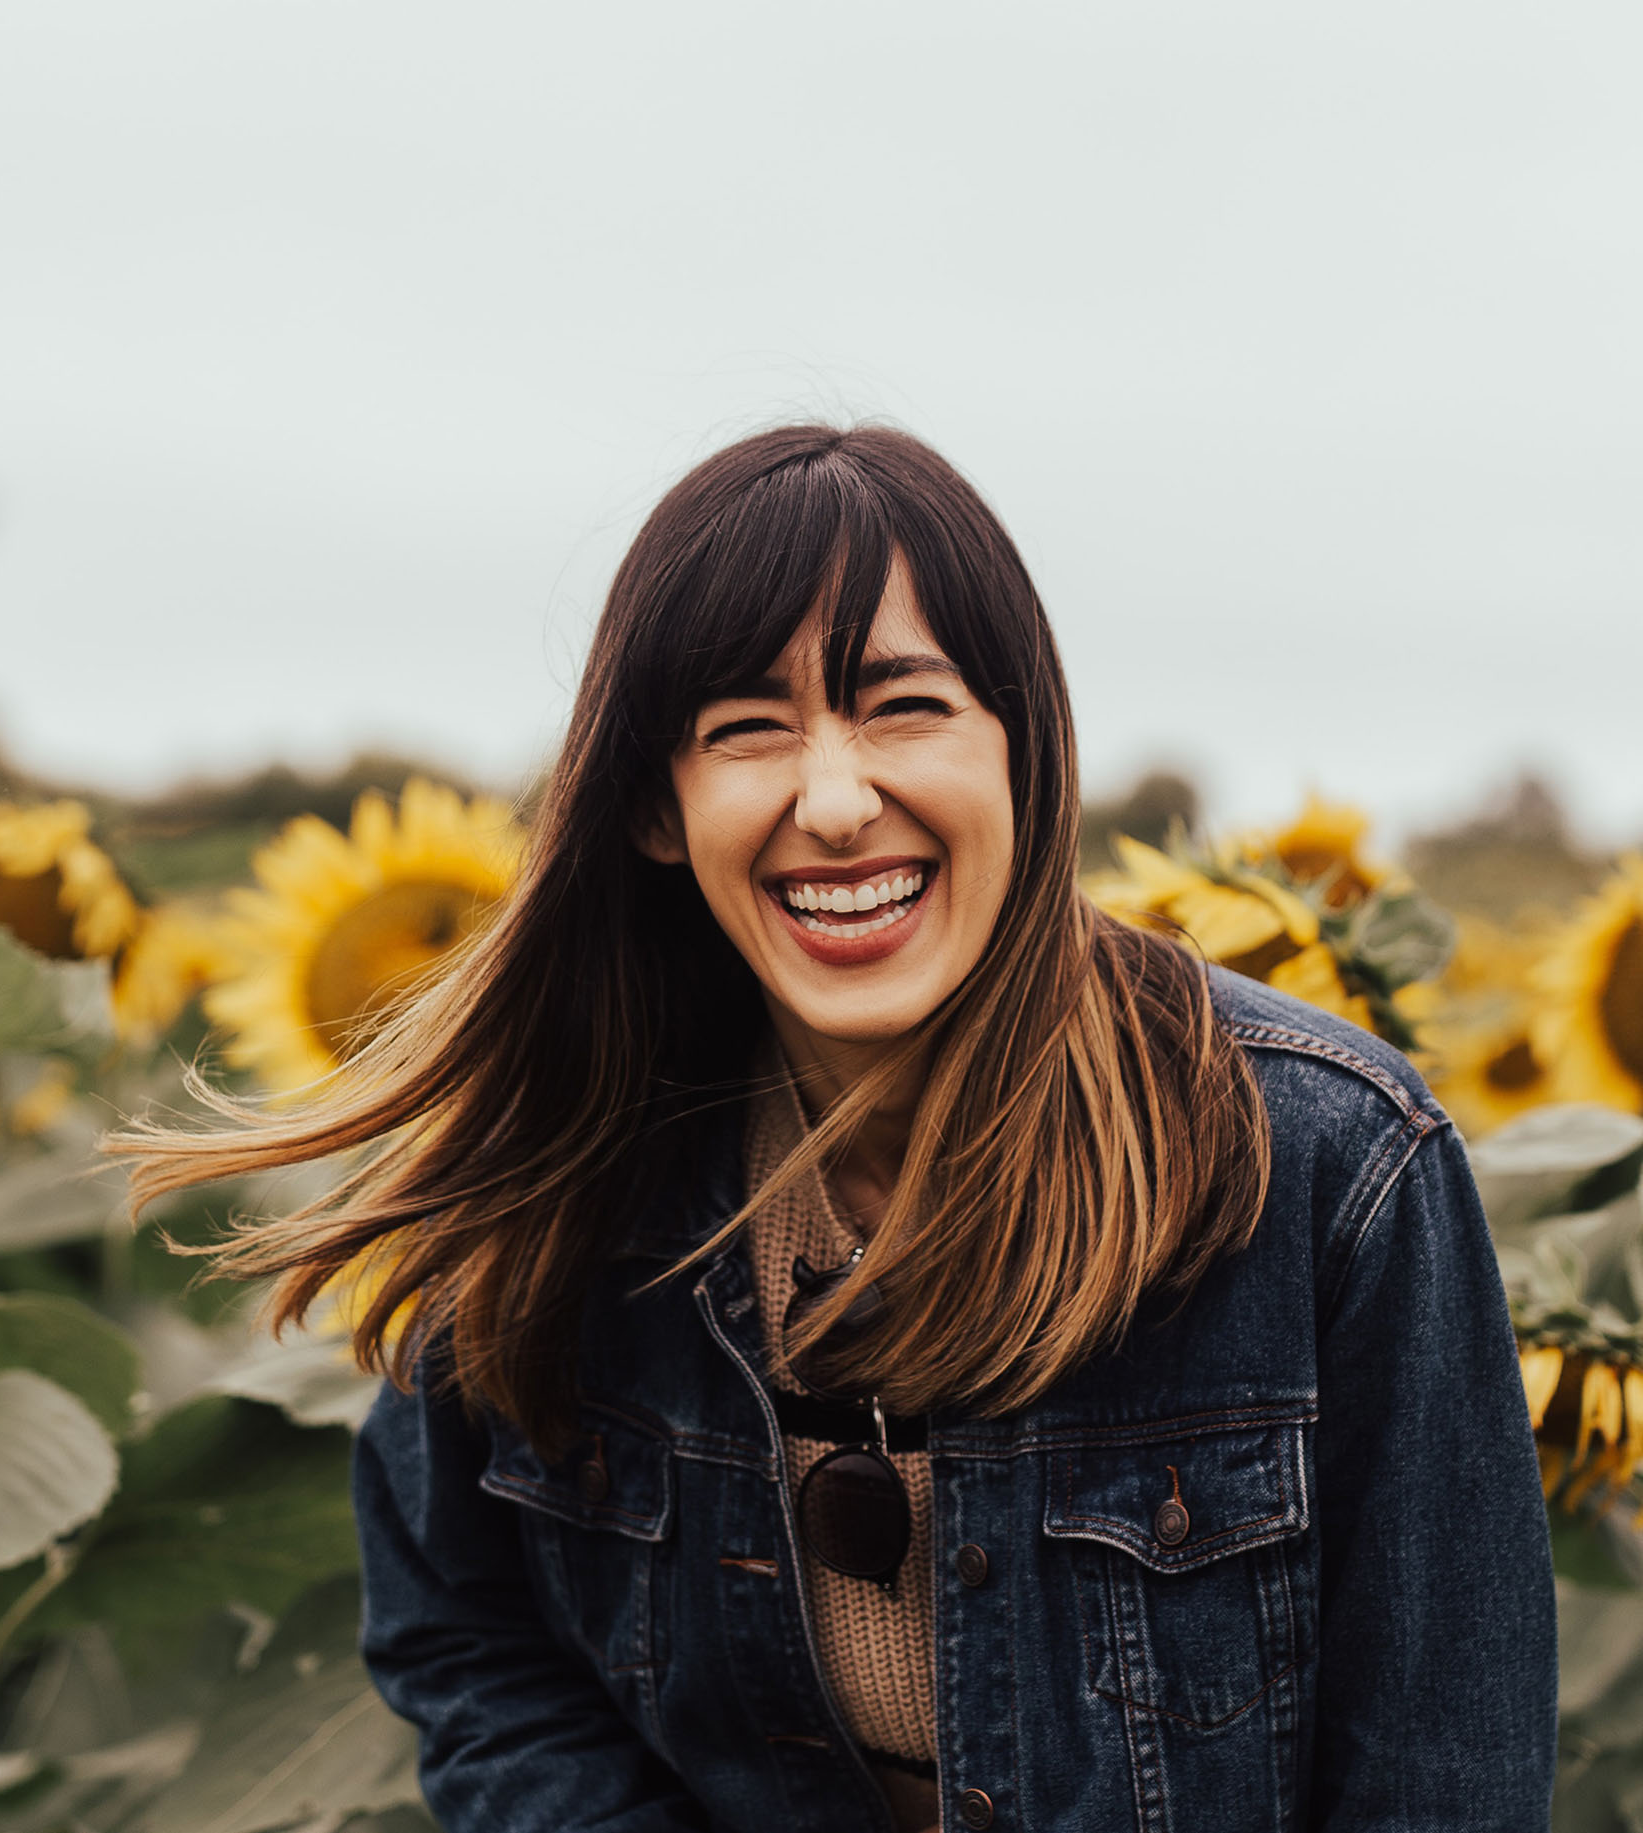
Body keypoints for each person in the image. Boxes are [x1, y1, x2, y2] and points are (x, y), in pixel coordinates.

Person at [115, 425, 1554, 1831]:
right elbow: (466, 1633)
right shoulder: (571, 1167)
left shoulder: (1326, 1168)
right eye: (748, 730)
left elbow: (1444, 1769)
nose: (837, 800)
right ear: (659, 810)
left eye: (905, 706)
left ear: (1024, 750)